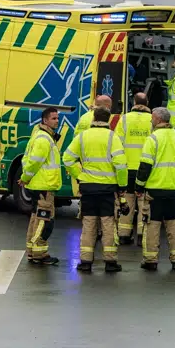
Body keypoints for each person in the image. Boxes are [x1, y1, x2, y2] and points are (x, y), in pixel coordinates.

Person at [63, 105, 127, 273]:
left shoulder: (82, 136)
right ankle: (110, 261)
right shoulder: (113, 137)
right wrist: (122, 186)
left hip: (88, 187)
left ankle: (85, 261)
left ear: (93, 118)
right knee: (108, 224)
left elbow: (67, 158)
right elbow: (121, 165)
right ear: (108, 119)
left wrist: (80, 175)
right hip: (107, 188)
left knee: (88, 224)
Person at [135, 107, 175, 270]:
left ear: (158, 120)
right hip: (174, 190)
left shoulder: (152, 139)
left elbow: (145, 166)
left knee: (152, 226)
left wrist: (139, 186)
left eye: (152, 118)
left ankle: (151, 260)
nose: (151, 120)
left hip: (155, 191)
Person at [18, 107, 63, 265]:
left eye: (57, 118)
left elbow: (27, 160)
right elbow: (34, 163)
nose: (57, 121)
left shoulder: (39, 135)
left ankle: (32, 252)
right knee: (44, 222)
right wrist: (24, 178)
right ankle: (39, 254)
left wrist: (25, 178)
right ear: (45, 120)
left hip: (40, 185)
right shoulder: (44, 139)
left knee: (36, 219)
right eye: (53, 118)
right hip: (43, 187)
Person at [118, 93, 155, 244]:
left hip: (127, 168)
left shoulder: (124, 119)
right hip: (145, 168)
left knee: (127, 200)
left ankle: (123, 235)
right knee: (143, 203)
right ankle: (141, 235)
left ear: (134, 102)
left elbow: (118, 143)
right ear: (147, 103)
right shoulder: (152, 120)